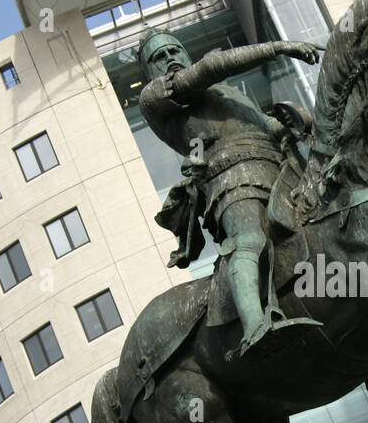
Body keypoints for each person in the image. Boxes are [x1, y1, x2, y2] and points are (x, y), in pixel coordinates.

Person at [138, 28, 321, 357]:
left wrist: (296, 120)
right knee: (251, 240)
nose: (170, 59)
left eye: (174, 50)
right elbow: (210, 68)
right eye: (158, 57)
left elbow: (264, 128)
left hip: (281, 168)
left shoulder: (224, 92)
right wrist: (281, 46)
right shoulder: (155, 97)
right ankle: (255, 328)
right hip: (231, 178)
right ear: (149, 71)